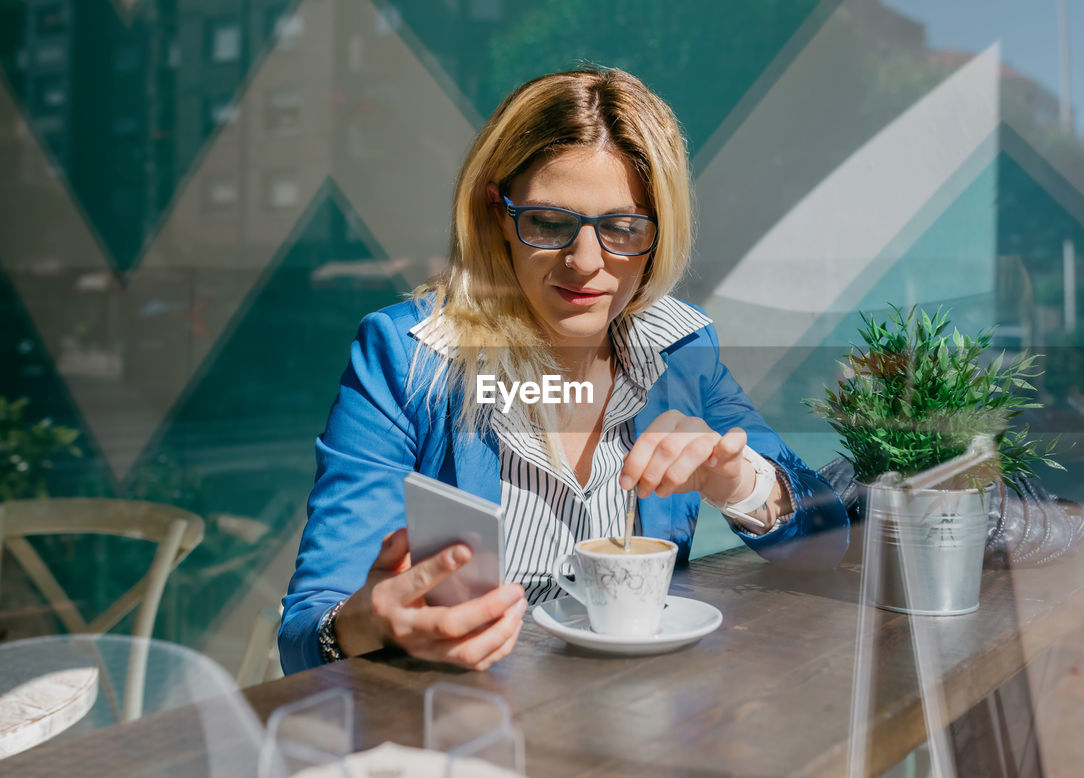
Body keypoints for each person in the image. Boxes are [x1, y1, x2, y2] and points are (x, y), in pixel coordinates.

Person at [279, 68, 850, 674]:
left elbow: (825, 540)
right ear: (499, 214)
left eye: (623, 228)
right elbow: (304, 634)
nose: (585, 263)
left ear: (659, 235)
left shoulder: (679, 347)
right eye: (550, 223)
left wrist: (738, 480)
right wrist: (369, 622)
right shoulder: (409, 355)